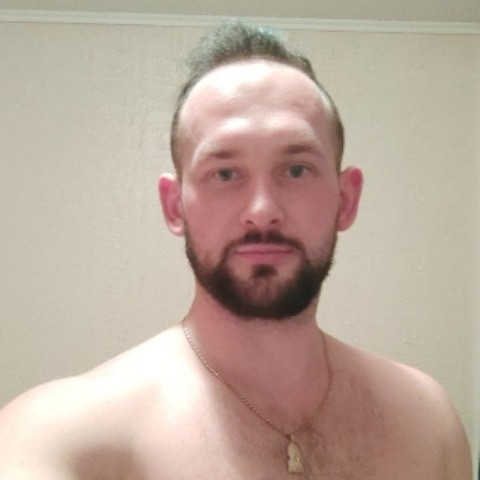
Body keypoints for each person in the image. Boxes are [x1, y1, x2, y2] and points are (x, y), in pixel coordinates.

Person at [0, 21, 472, 479]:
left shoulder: (428, 422)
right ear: (174, 206)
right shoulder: (61, 438)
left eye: (296, 170)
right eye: (224, 174)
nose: (262, 211)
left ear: (346, 200)